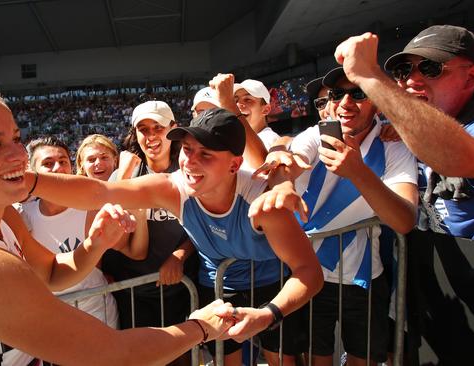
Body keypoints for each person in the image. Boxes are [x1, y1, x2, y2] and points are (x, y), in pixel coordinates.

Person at [0, 83, 231, 365]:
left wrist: (95, 244)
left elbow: (52, 273)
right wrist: (202, 327)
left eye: (16, 138)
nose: (17, 155)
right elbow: (113, 355)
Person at [30, 107, 323, 366]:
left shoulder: (262, 201)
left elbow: (309, 271)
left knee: (282, 358)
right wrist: (28, 182)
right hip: (219, 284)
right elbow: (99, 192)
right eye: (186, 149)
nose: (190, 162)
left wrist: (270, 313)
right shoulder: (174, 188)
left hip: (270, 282)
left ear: (234, 164)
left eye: (205, 154)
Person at [259, 66, 418, 365]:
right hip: (310, 275)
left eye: (358, 94)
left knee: (364, 359)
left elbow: (404, 220)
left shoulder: (393, 145)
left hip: (364, 277)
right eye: (337, 94)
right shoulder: (314, 136)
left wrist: (357, 171)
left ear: (377, 101)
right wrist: (281, 183)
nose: (345, 102)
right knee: (318, 358)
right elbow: (289, 164)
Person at [333, 25, 474, 241]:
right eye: (403, 71)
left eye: (430, 68)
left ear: (470, 78)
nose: (412, 81)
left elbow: (456, 157)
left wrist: (370, 76)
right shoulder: (397, 127)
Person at [103, 100, 198, 366]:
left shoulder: (188, 172)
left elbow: (204, 220)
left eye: (158, 127)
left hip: (178, 290)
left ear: (173, 129)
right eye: (143, 129)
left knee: (181, 358)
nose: (151, 135)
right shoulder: (125, 175)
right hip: (133, 292)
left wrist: (179, 255)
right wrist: (124, 175)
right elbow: (112, 226)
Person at [20, 136, 146, 329]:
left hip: (98, 316)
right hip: (50, 323)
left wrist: (140, 214)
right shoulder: (22, 216)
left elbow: (135, 251)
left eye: (62, 161)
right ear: (32, 172)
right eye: (47, 163)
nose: (57, 168)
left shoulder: (91, 210)